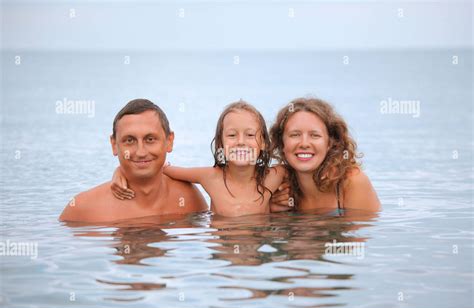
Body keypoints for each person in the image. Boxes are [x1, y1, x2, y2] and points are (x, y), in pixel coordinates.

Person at [112, 100, 286, 217]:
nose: (241, 142)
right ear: (220, 143)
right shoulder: (209, 177)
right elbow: (161, 168)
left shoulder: (274, 176)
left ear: (263, 143)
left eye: (249, 135)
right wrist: (120, 171)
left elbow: (304, 169)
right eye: (232, 135)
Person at [59, 99, 208, 223]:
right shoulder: (82, 209)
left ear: (169, 141)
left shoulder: (189, 199)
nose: (141, 152)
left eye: (150, 139)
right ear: (114, 144)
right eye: (129, 140)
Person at [269, 97, 381, 213]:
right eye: (295, 135)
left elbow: (365, 230)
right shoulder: (280, 187)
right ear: (282, 143)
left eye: (315, 135)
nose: (304, 144)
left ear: (330, 143)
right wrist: (273, 211)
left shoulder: (352, 182)